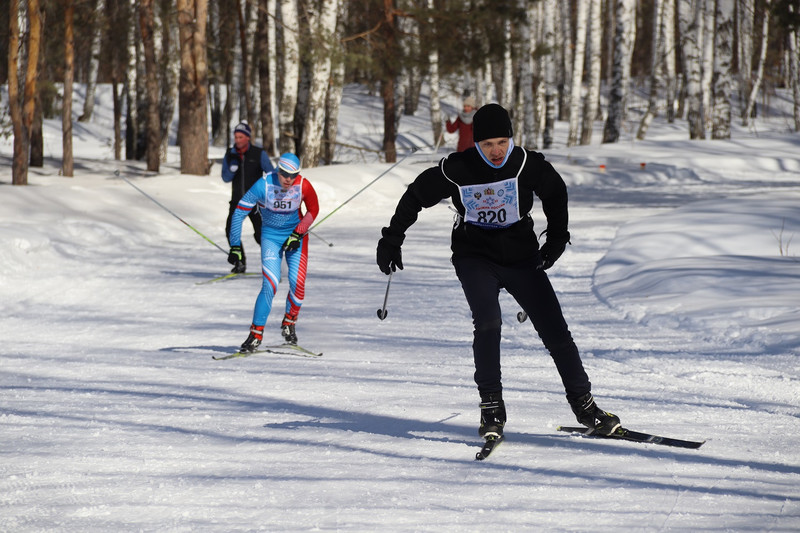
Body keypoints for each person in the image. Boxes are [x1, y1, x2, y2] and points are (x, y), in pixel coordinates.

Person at [376, 103, 621, 440]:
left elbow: (555, 192)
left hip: (522, 257)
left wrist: (558, 237)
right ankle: (491, 406)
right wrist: (392, 238)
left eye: (502, 142)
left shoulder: (525, 164)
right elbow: (416, 195)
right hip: (474, 257)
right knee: (488, 322)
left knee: (555, 331)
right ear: (476, 143)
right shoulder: (458, 168)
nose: (496, 151)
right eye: (488, 144)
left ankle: (585, 406)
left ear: (511, 139)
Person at [229, 153, 320, 350]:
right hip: (271, 237)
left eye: (293, 175)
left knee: (298, 283)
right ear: (278, 171)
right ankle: (255, 334)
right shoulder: (263, 185)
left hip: (296, 237)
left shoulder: (303, 185)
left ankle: (289, 322)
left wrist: (298, 233)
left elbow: (313, 210)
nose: (288, 179)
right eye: (284, 174)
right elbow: (239, 212)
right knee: (270, 284)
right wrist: (235, 245)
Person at [221, 121, 274, 273]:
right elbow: (225, 177)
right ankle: (240, 262)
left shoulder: (259, 154)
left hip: (256, 201)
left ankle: (273, 262)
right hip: (237, 201)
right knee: (231, 230)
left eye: (240, 137)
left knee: (260, 234)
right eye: (235, 137)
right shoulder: (230, 154)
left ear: (248, 138)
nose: (237, 140)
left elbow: (271, 174)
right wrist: (232, 169)